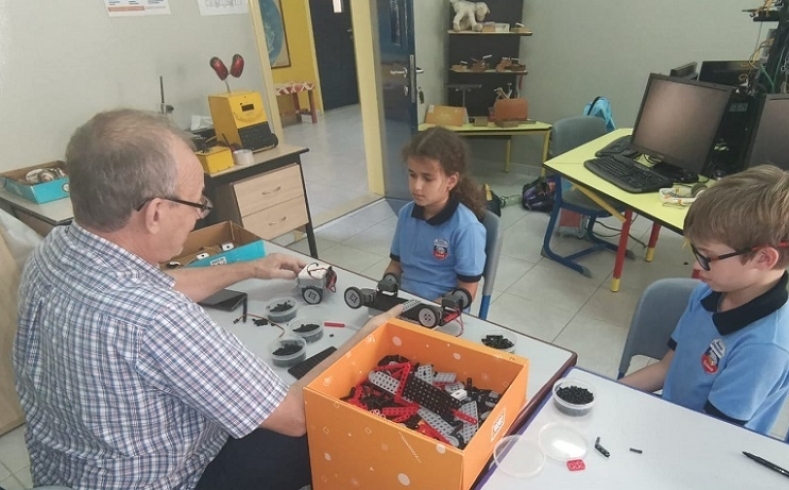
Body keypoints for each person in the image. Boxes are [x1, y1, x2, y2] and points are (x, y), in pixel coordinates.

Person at [13, 109, 403, 490]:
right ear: (155, 213)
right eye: (197, 202)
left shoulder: (53, 251)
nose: (199, 215)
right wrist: (367, 338)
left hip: (65, 472)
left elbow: (155, 284)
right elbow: (295, 415)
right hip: (174, 479)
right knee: (323, 426)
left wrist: (249, 269)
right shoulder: (158, 318)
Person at [620, 165, 789, 434]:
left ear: (763, 258)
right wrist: (606, 393)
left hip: (707, 441)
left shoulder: (766, 348)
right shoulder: (709, 292)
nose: (696, 265)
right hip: (671, 423)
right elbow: (667, 367)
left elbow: (712, 433)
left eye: (708, 256)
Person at [384, 127, 487, 304]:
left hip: (442, 310)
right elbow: (395, 265)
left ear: (451, 181)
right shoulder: (406, 214)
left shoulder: (467, 227)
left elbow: (467, 289)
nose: (417, 186)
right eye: (412, 175)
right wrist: (389, 281)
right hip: (404, 302)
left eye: (427, 178)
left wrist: (428, 310)